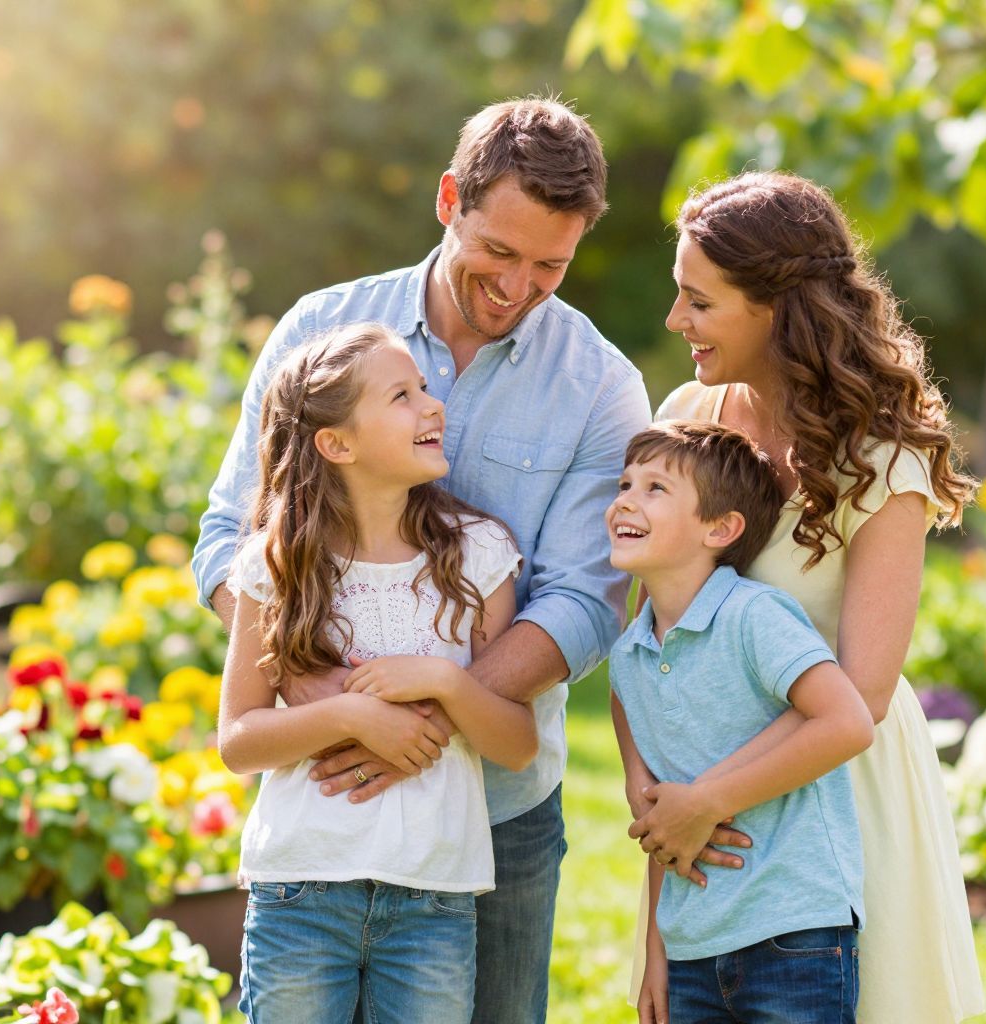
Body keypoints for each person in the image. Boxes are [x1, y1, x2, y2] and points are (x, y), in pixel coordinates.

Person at [194, 96, 652, 1022]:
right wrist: (338, 709)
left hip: (497, 816)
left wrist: (437, 718)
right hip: (317, 817)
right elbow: (229, 540)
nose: (519, 286)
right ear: (450, 199)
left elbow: (584, 603)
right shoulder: (324, 334)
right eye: (499, 252)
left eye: (550, 265)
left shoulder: (602, 386)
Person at [628, 170, 985, 1022]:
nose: (677, 322)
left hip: (835, 791)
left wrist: (708, 800)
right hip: (695, 801)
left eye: (699, 303)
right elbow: (647, 635)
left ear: (774, 308)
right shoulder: (690, 415)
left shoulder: (880, 456)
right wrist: (659, 804)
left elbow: (859, 691)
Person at [218, 324, 536, 1022]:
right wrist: (347, 715)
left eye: (424, 388)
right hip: (300, 892)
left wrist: (449, 682)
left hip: (433, 900)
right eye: (403, 395)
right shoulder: (275, 565)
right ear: (337, 444)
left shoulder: (480, 555)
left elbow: (517, 743)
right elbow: (239, 739)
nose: (433, 406)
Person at [609, 420, 873, 1023]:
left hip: (794, 936)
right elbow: (662, 819)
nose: (625, 498)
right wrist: (657, 953)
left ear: (720, 528)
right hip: (692, 949)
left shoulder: (754, 616)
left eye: (655, 488)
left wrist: (707, 799)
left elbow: (848, 722)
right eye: (625, 484)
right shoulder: (629, 658)